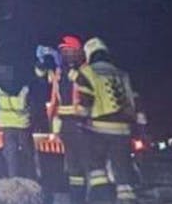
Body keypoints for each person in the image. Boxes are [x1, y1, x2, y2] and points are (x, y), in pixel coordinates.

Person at [77, 37, 141, 203]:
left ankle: (102, 199)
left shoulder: (87, 72)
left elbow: (85, 102)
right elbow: (135, 101)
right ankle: (126, 200)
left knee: (97, 170)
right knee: (122, 173)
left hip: (98, 129)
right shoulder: (122, 74)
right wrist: (141, 129)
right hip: (123, 130)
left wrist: (80, 121)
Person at [39, 36, 93, 197]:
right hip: (67, 127)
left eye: (69, 51)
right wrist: (53, 125)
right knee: (73, 167)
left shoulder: (87, 71)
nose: (65, 55)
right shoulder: (60, 72)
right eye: (63, 52)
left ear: (78, 52)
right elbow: (55, 98)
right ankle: (77, 198)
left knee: (89, 165)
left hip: (84, 125)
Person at [0, 64, 33, 179]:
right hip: (23, 125)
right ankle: (29, 178)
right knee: (27, 154)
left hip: (6, 125)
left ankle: (13, 178)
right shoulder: (24, 90)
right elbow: (31, 105)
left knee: (10, 154)